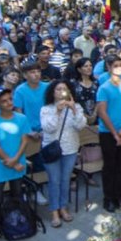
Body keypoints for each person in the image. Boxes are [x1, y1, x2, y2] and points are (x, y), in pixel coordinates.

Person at [0, 88, 30, 241]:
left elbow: (24, 140)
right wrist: (9, 161)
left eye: (10, 99)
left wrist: (16, 160)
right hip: (0, 164)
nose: (9, 103)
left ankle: (19, 223)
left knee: (17, 194)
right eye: (4, 101)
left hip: (17, 162)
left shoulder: (21, 118)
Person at [40, 81, 88, 226]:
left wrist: (73, 110)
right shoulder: (46, 109)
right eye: (58, 89)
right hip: (52, 149)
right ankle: (54, 210)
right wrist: (58, 111)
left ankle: (63, 207)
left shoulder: (76, 106)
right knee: (54, 180)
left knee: (65, 179)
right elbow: (49, 128)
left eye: (65, 89)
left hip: (70, 148)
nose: (61, 92)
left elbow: (80, 126)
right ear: (52, 92)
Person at [95, 57, 121, 212]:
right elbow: (102, 112)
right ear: (109, 67)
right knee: (109, 166)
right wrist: (115, 134)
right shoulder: (104, 88)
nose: (119, 68)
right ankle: (108, 198)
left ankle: (119, 197)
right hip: (108, 133)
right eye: (115, 66)